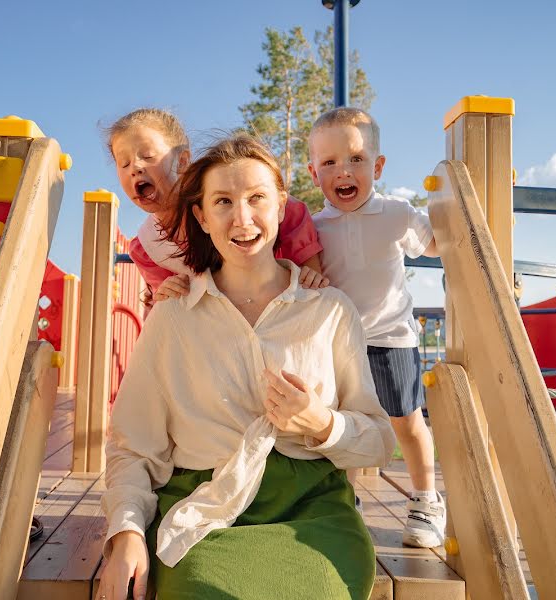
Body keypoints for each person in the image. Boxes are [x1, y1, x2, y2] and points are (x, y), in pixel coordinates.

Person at [96, 134, 396, 600]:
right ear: (202, 216)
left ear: (281, 206)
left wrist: (322, 424)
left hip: (314, 513)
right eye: (223, 201)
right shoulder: (172, 317)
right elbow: (134, 449)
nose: (242, 218)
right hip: (203, 511)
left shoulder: (330, 310)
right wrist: (127, 533)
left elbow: (379, 442)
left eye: (257, 198)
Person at [308, 107, 445, 549]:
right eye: (329, 163)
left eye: (355, 159)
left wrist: (457, 204)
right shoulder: (314, 228)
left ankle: (426, 499)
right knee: (344, 425)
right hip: (339, 344)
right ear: (314, 173)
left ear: (378, 166)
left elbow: (440, 244)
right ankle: (344, 501)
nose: (343, 171)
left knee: (406, 422)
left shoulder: (397, 214)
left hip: (391, 338)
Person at [106, 108, 327, 306]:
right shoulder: (148, 247)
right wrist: (165, 294)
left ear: (182, 161)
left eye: (147, 156)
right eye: (123, 163)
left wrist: (310, 275)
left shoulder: (238, 211)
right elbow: (173, 311)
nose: (134, 167)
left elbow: (313, 284)